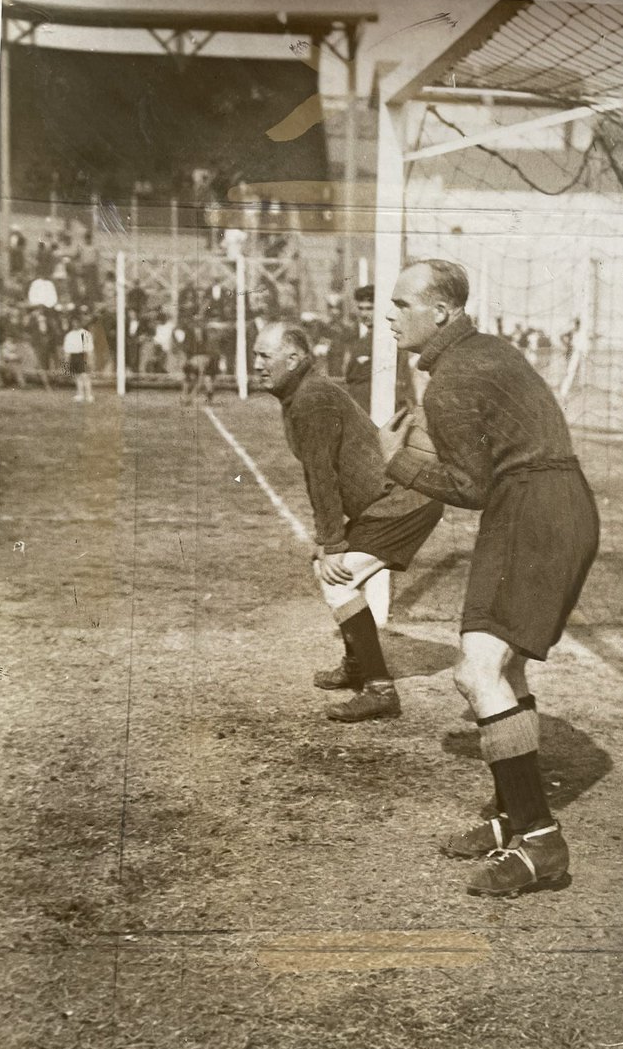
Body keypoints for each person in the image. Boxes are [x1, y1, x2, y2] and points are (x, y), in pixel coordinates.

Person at [381, 259, 599, 898]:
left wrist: (396, 462)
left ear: (440, 312)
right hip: (557, 504)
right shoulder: (490, 349)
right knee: (503, 669)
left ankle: (538, 841)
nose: (389, 316)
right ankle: (510, 817)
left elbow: (472, 487)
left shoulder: (448, 384)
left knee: (476, 671)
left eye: (401, 304)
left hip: (533, 510)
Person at [253, 322, 442, 723]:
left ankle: (379, 689)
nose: (257, 365)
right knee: (332, 572)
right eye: (256, 355)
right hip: (387, 501)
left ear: (294, 359)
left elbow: (322, 477)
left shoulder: (311, 399)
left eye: (264, 356)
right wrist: (329, 542)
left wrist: (333, 544)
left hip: (402, 502)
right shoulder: (301, 395)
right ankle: (358, 668)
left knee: (334, 579)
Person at [343, 284, 375, 411]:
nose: (364, 314)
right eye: (361, 309)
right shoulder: (362, 340)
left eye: (369, 308)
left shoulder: (384, 342)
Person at [62, 316, 95, 403]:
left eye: (77, 322)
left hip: (83, 356)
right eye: (74, 323)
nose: (75, 324)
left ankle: (88, 395)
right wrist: (66, 360)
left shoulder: (85, 333)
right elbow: (67, 349)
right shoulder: (69, 335)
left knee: (85, 376)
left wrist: (90, 359)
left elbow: (89, 348)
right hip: (73, 356)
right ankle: (80, 394)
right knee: (77, 377)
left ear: (80, 323)